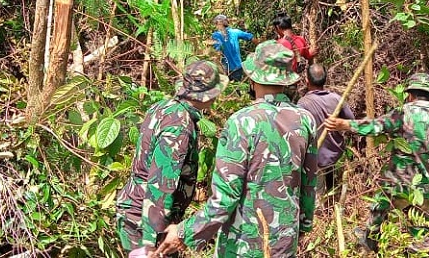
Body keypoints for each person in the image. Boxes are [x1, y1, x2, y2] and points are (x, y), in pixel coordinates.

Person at [156, 41, 319, 258]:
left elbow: (225, 197)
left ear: (252, 78)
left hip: (243, 243)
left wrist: (185, 232)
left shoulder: (241, 122)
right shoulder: (305, 120)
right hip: (284, 240)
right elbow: (309, 183)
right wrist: (304, 224)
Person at [324, 72, 429, 253]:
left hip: (398, 183)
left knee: (378, 212)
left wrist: (345, 124)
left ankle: (369, 240)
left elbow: (375, 127)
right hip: (427, 189)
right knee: (420, 236)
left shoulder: (403, 113)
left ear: (410, 94)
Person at [115, 61, 228, 258]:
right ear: (207, 95)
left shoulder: (164, 107)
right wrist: (151, 242)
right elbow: (161, 184)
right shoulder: (179, 125)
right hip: (145, 220)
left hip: (141, 214)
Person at [296, 63, 355, 198]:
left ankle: (324, 215)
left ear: (307, 81)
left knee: (319, 197)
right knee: (335, 191)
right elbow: (351, 121)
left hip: (316, 159)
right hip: (336, 154)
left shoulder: (302, 103)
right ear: (325, 79)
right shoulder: (336, 98)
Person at [211, 14, 254, 81]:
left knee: (227, 88)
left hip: (225, 68)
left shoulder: (216, 35)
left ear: (218, 24)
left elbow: (218, 51)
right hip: (238, 66)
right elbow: (250, 37)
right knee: (237, 87)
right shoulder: (235, 32)